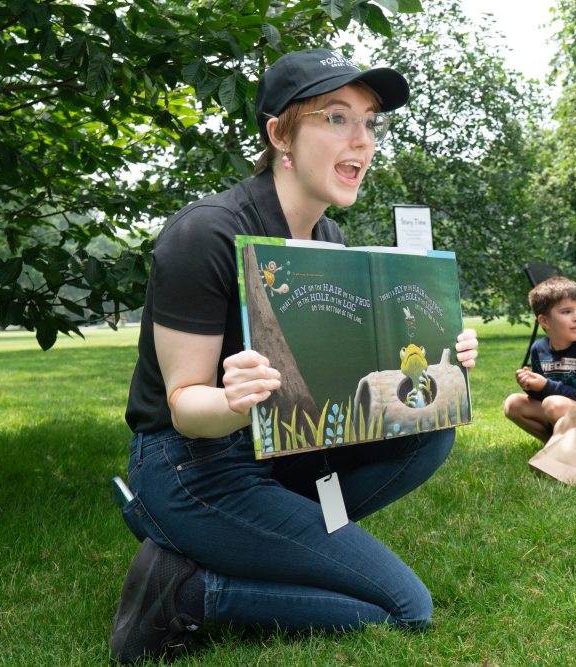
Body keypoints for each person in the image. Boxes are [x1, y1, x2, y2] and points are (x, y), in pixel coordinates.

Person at [108, 49, 480, 664]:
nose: (361, 140)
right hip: (192, 467)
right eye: (336, 118)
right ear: (280, 132)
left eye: (370, 122)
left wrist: (442, 362)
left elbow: (344, 376)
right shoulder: (205, 234)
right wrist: (232, 400)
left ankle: (261, 541)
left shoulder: (327, 236)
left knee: (428, 429)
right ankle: (190, 590)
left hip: (282, 447)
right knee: (404, 609)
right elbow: (182, 407)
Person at [504, 277, 576, 442]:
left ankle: (573, 447)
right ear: (544, 321)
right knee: (512, 404)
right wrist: (530, 385)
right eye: (567, 312)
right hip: (561, 413)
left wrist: (546, 385)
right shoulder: (538, 349)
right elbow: (543, 395)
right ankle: (556, 445)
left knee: (554, 404)